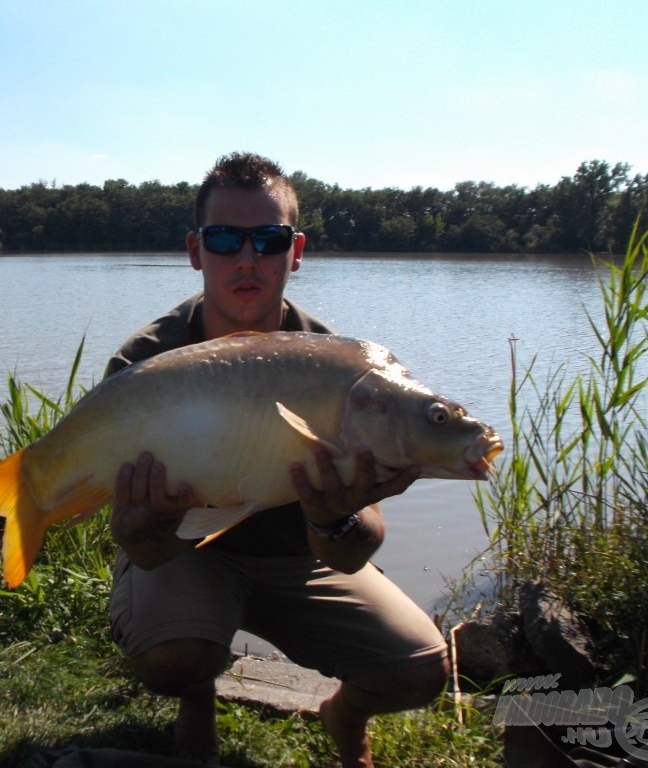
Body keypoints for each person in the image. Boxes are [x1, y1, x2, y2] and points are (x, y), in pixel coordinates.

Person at [105, 152, 449, 768]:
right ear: (194, 249)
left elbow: (350, 553)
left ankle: (342, 714)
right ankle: (198, 695)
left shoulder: (341, 368)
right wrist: (153, 516)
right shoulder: (146, 363)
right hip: (192, 555)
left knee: (420, 670)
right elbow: (141, 548)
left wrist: (333, 514)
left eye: (268, 239)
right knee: (176, 655)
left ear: (295, 251)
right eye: (224, 239)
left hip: (298, 561)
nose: (246, 259)